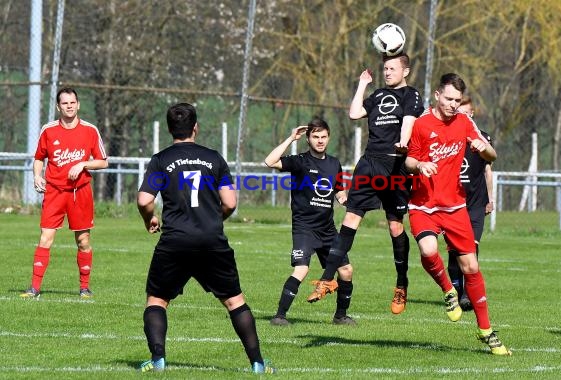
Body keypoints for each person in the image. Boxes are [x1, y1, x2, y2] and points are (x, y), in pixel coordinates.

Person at [137, 103, 275, 373]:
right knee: (235, 300)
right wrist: (213, 220)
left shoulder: (161, 160)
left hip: (175, 240)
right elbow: (231, 202)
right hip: (212, 240)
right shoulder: (214, 158)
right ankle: (258, 364)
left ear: (169, 129)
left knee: (157, 300)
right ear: (195, 128)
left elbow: (144, 200)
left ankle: (158, 362)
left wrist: (149, 219)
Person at [307, 53, 424, 315]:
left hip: (394, 164)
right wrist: (363, 84)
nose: (387, 72)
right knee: (349, 221)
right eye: (385, 68)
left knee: (395, 226)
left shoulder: (411, 95)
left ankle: (401, 283)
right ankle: (327, 280)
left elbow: (408, 122)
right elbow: (354, 113)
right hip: (369, 163)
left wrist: (404, 142)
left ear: (405, 71)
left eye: (392, 68)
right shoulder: (379, 95)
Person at [405, 73, 511, 355]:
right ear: (437, 95)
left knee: (472, 268)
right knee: (428, 250)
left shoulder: (465, 122)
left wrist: (483, 148)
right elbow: (409, 159)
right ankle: (448, 290)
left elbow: (492, 155)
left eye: (457, 100)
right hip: (423, 204)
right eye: (449, 99)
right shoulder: (422, 124)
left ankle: (486, 330)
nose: (453, 104)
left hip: (455, 207)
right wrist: (420, 166)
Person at [20, 87, 108, 299]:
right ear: (58, 106)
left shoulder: (90, 130)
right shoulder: (48, 130)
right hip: (55, 192)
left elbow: (103, 161)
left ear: (78, 105)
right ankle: (34, 288)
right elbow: (39, 157)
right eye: (65, 103)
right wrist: (37, 176)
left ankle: (84, 288)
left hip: (80, 193)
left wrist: (84, 164)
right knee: (45, 237)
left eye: (72, 102)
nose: (69, 106)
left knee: (83, 241)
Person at [264, 118, 354, 326]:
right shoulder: (299, 161)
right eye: (315, 137)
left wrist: (347, 200)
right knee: (302, 269)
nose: (320, 141)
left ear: (329, 138)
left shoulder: (334, 163)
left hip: (328, 229)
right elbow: (269, 161)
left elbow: (339, 192)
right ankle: (280, 316)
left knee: (346, 271)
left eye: (323, 137)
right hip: (305, 228)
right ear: (308, 139)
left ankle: (340, 317)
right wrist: (290, 138)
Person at [447, 96, 494, 311]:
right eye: (459, 113)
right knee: (453, 251)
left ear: (472, 115)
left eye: (466, 113)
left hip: (475, 203)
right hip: (453, 202)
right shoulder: (449, 138)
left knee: (471, 248)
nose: (462, 116)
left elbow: (487, 170)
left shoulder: (482, 139)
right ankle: (455, 290)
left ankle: (467, 294)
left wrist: (490, 199)